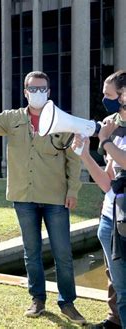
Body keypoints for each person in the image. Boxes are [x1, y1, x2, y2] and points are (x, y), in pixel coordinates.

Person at [0, 71, 85, 324]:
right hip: (23, 197)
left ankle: (67, 302)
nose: (39, 92)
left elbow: (73, 159)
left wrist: (72, 191)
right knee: (31, 252)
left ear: (49, 91)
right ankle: (37, 299)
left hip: (56, 198)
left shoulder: (62, 121)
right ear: (25, 92)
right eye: (33, 89)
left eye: (43, 88)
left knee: (63, 253)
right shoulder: (12, 118)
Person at [73, 71, 126, 329]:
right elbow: (107, 182)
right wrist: (84, 155)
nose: (104, 100)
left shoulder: (108, 133)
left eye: (109, 95)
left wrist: (104, 140)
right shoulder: (110, 125)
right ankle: (114, 321)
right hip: (111, 218)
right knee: (118, 284)